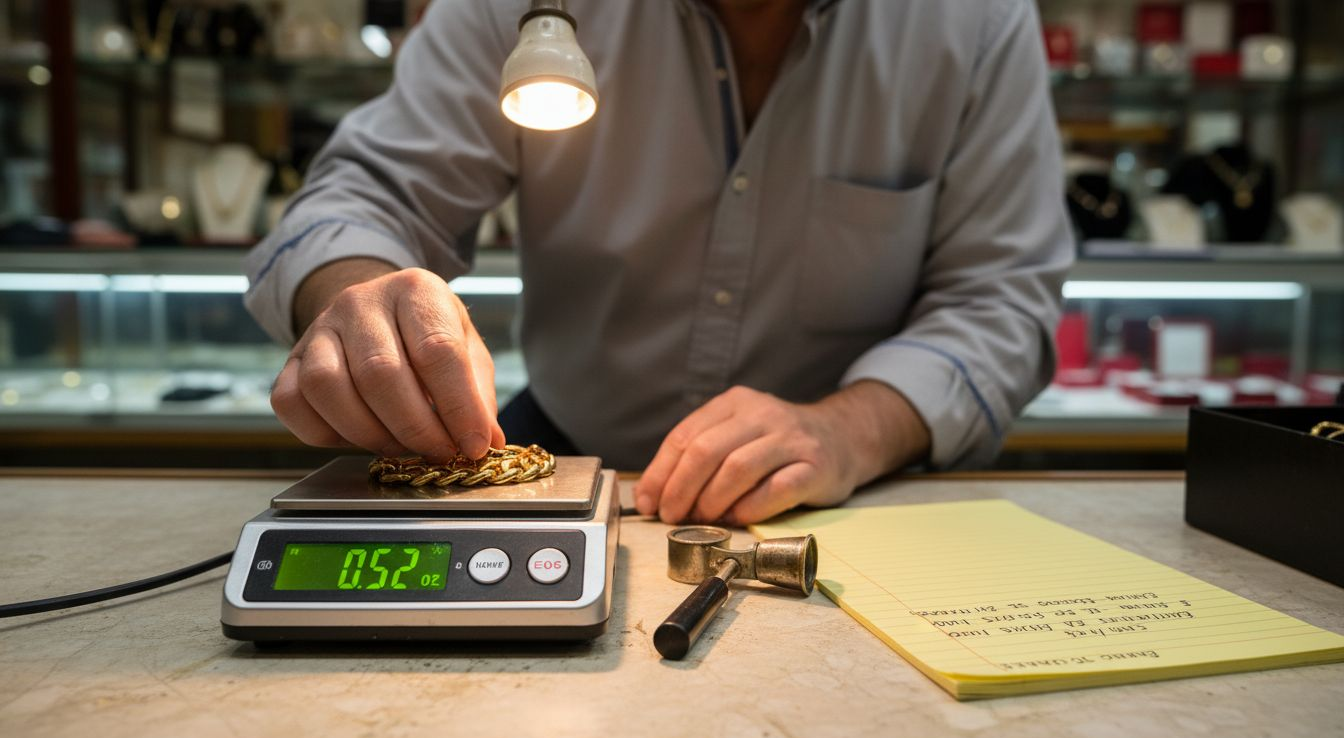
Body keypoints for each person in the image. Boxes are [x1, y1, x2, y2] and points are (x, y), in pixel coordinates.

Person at [244, 0, 1073, 527]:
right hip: (563, 448)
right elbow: (368, 196)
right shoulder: (521, 7)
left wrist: (849, 430)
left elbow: (1000, 298)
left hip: (844, 486)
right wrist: (360, 298)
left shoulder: (973, 21)